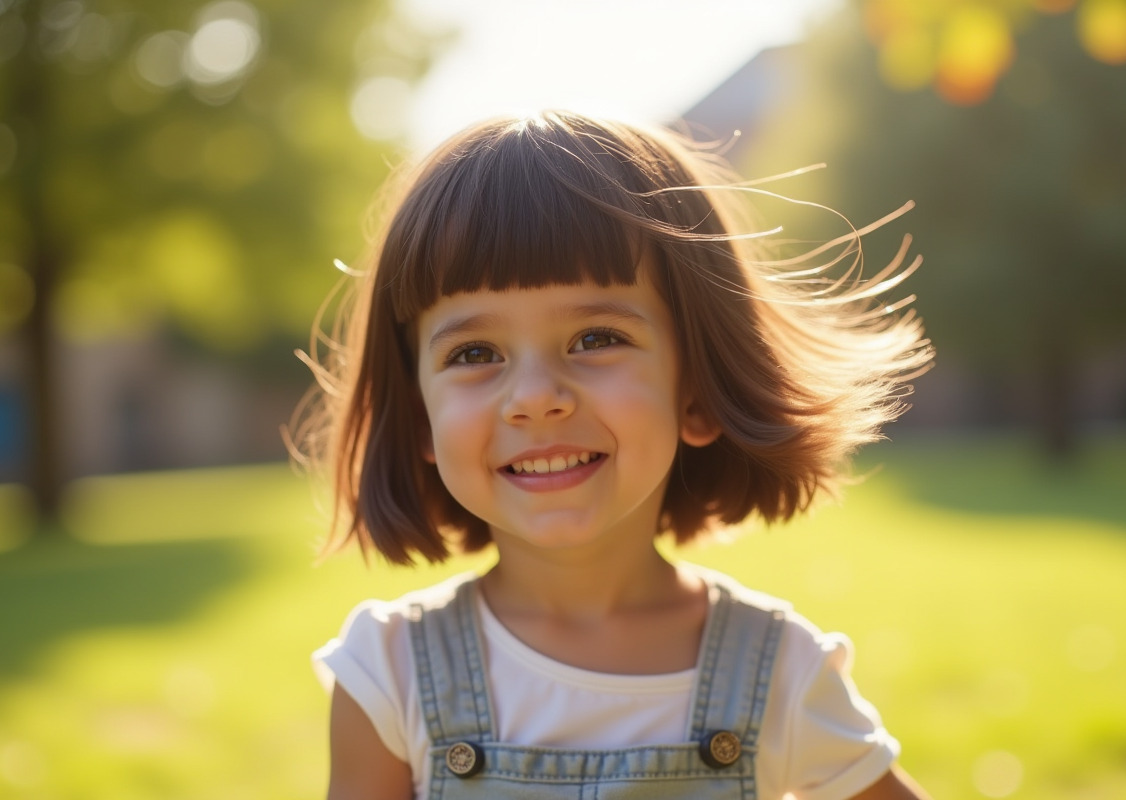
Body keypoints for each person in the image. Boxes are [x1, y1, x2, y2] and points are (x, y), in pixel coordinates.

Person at [292, 110, 934, 800]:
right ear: (419, 415)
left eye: (596, 338)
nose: (536, 398)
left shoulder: (780, 673)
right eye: (474, 354)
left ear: (695, 390)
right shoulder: (390, 675)